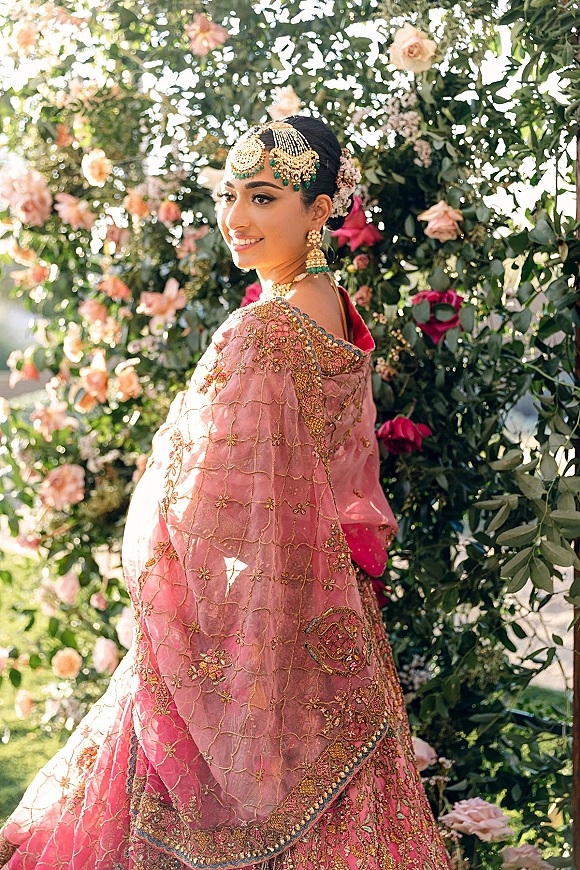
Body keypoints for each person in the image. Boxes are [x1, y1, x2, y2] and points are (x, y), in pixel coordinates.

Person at [0, 116, 452, 870]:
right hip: (325, 620)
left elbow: (205, 497)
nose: (236, 218)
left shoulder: (265, 329)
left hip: (253, 627)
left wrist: (155, 544)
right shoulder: (334, 309)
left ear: (319, 211)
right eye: (230, 194)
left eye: (264, 197)